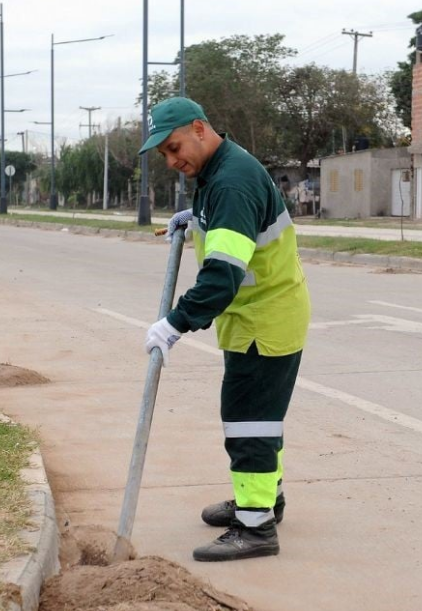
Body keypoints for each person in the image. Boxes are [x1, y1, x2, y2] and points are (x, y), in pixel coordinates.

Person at [140, 97, 311, 562]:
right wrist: (196, 221)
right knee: (261, 418)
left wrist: (174, 323)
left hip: (263, 320)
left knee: (248, 423)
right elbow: (229, 231)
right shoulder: (218, 173)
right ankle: (264, 501)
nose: (174, 161)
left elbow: (221, 277)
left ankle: (254, 529)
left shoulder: (231, 182)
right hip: (257, 316)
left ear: (200, 128)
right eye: (165, 155)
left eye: (175, 148)